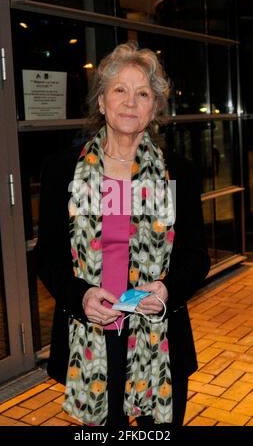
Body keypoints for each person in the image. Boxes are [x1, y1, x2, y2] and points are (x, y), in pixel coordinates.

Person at [36, 42, 210, 428]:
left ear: (154, 109)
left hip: (156, 339)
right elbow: (47, 256)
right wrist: (80, 295)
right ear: (101, 102)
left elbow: (196, 258)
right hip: (93, 335)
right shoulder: (64, 170)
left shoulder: (176, 172)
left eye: (143, 93)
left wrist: (165, 290)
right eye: (120, 90)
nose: (131, 102)